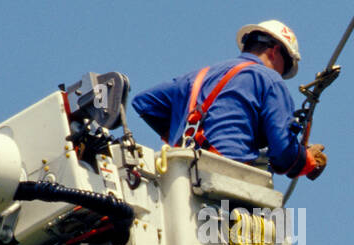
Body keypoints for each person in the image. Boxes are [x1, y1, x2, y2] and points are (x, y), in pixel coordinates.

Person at [132, 20, 327, 179]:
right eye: (284, 68)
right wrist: (305, 160)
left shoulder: (197, 77)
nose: (281, 75)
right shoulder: (270, 80)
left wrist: (183, 135)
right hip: (225, 179)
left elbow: (145, 103)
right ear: (274, 51)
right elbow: (283, 156)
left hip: (178, 174)